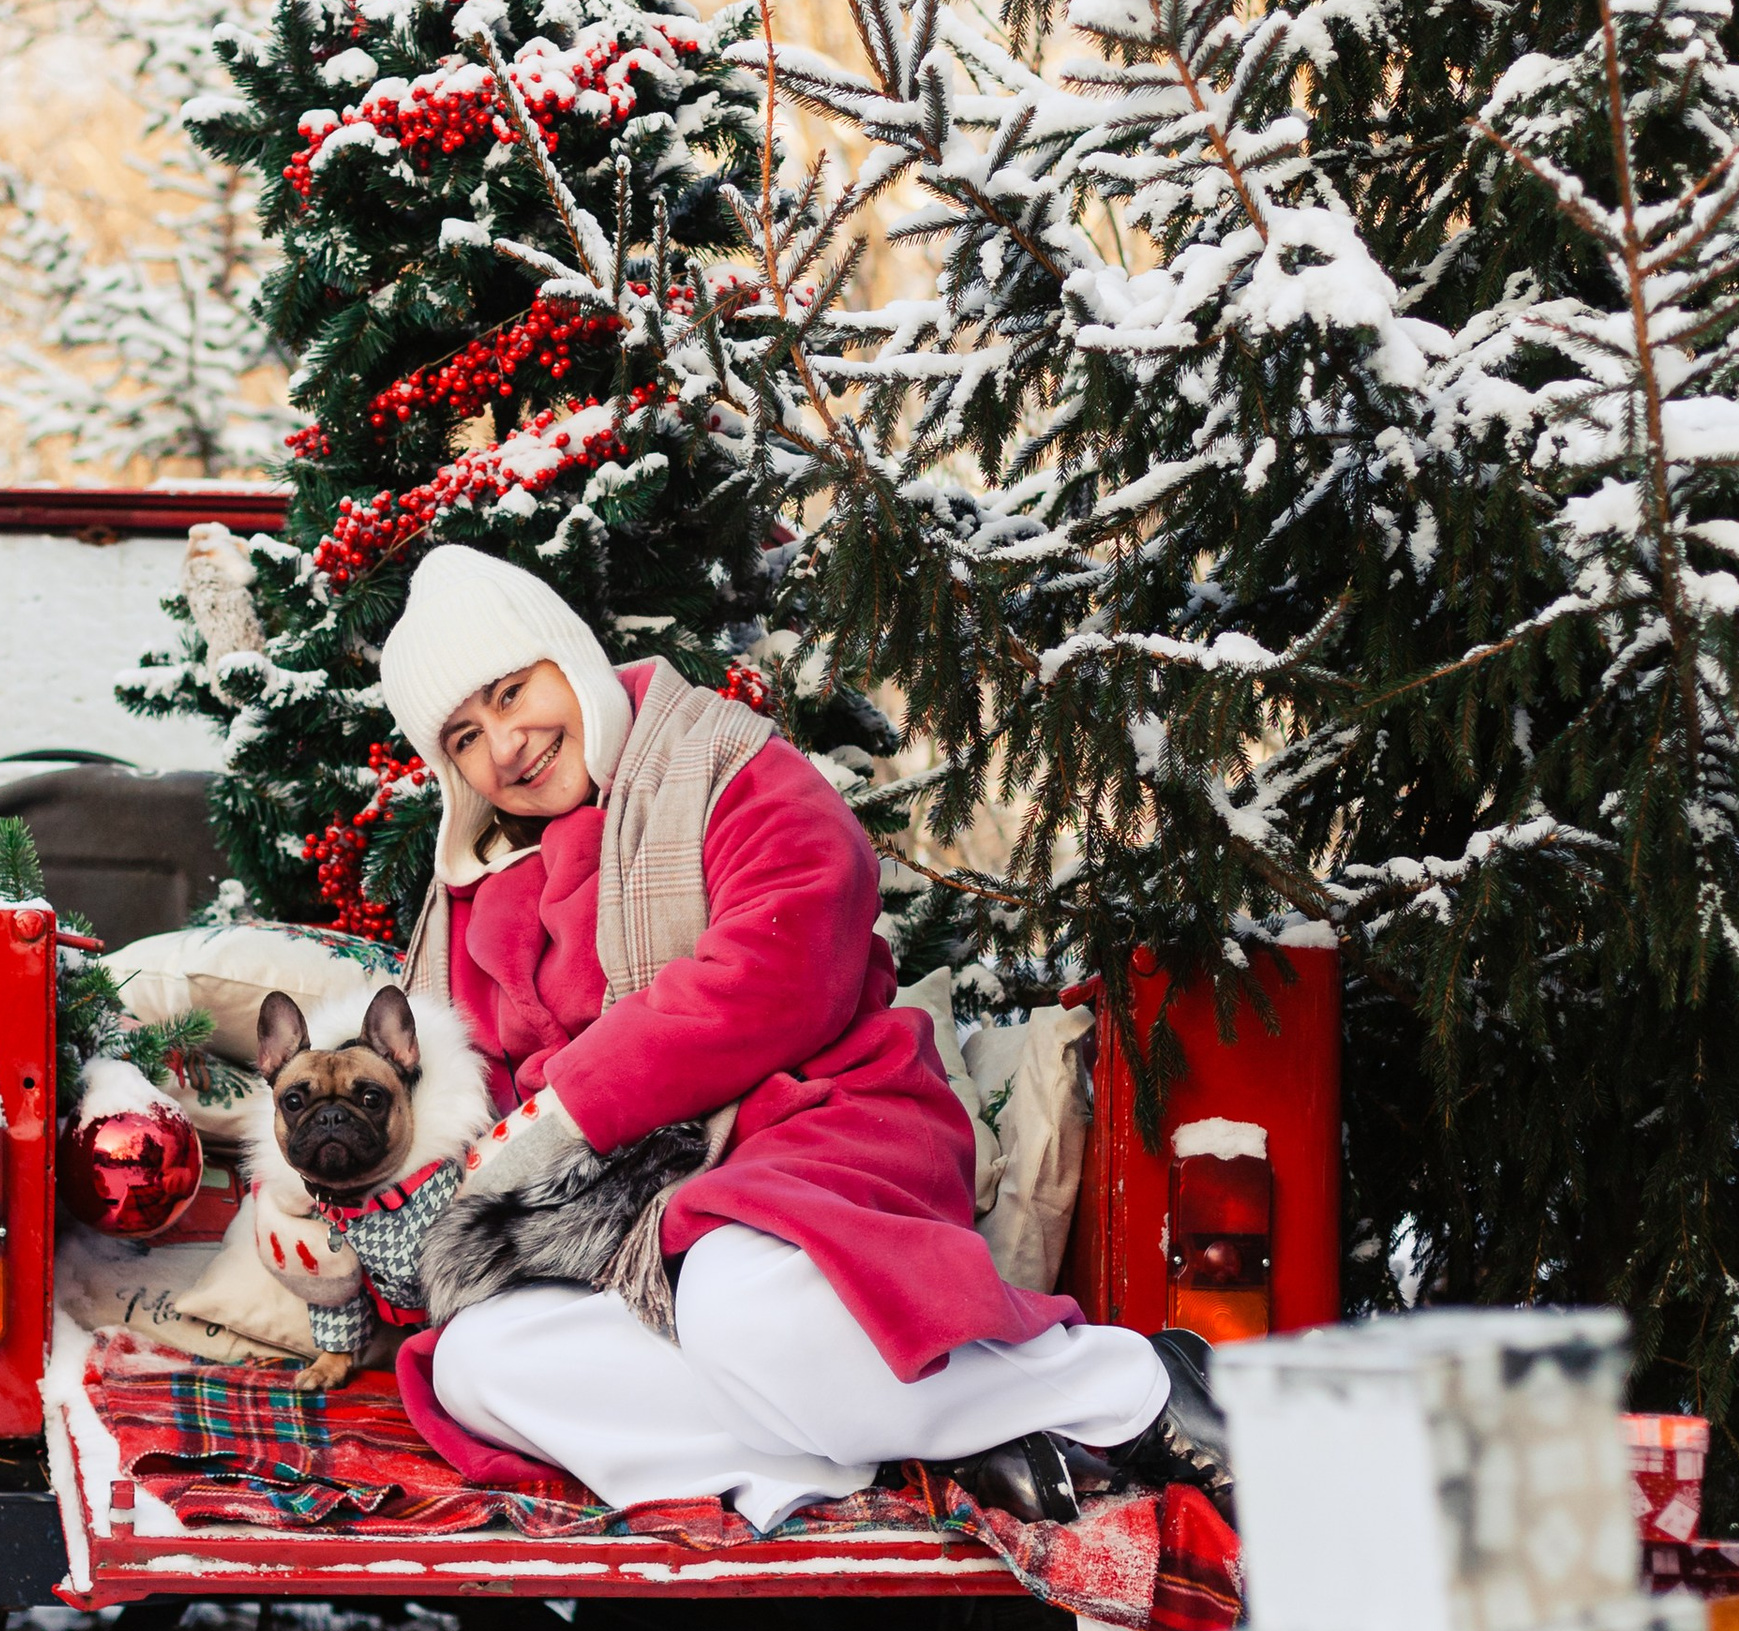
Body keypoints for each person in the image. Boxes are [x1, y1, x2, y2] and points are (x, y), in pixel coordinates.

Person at [376, 544, 1229, 1532]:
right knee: (482, 1367)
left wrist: (570, 1107)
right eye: (463, 736)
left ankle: (1121, 1387)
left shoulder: (725, 764)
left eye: (513, 692)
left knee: (743, 1313)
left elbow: (781, 963)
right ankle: (927, 1441)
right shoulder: (472, 895)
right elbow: (452, 1082)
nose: (505, 746)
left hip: (802, 1130)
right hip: (599, 1221)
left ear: (567, 658)